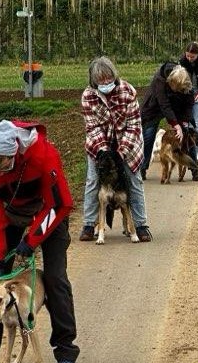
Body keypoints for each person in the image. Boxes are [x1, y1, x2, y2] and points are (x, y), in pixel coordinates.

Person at [0, 119, 81, 363]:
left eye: (4, 165)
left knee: (55, 278)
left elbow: (59, 203)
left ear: (16, 151)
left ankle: (65, 353)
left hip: (49, 210)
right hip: (9, 213)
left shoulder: (42, 154)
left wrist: (32, 240)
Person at [79, 56, 152, 243]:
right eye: (101, 80)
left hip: (127, 141)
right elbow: (92, 127)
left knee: (134, 179)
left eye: (108, 78)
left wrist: (122, 152)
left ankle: (141, 225)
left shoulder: (128, 91)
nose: (105, 82)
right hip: (100, 144)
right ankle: (89, 224)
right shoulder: (88, 96)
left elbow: (134, 124)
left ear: (114, 75)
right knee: (93, 180)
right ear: (94, 81)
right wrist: (103, 152)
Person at [140, 62, 198, 181]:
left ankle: (195, 170)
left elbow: (189, 104)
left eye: (180, 89)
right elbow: (164, 105)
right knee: (148, 136)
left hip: (177, 106)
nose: (176, 90)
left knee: (187, 136)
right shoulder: (160, 79)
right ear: (171, 82)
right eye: (175, 88)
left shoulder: (185, 80)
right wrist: (175, 124)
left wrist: (184, 122)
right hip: (154, 107)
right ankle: (142, 169)